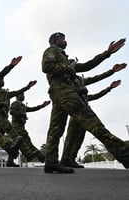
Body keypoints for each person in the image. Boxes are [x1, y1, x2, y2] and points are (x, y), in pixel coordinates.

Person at [41, 32, 129, 173]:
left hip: (59, 95)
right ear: (55, 41)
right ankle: (124, 152)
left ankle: (51, 162)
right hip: (65, 94)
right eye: (62, 39)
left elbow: (88, 66)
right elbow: (46, 67)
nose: (65, 40)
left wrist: (107, 53)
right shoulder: (51, 51)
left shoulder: (64, 58)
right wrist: (68, 68)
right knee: (92, 122)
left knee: (55, 130)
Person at [61, 64, 126, 168]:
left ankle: (71, 159)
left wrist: (109, 82)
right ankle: (65, 159)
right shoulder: (66, 80)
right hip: (75, 111)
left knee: (79, 138)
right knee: (71, 137)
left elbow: (96, 80)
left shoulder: (79, 80)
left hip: (84, 108)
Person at [0, 78, 38, 167]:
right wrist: (2, 104)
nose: (2, 81)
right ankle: (27, 153)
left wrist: (27, 87)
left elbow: (16, 92)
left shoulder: (5, 93)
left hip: (4, 117)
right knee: (13, 133)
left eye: (3, 79)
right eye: (1, 79)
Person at [10, 93, 50, 165]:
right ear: (17, 96)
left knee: (17, 144)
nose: (23, 96)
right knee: (25, 142)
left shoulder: (23, 106)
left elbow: (32, 109)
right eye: (21, 94)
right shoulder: (15, 103)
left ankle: (10, 161)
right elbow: (12, 112)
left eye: (23, 95)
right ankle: (40, 156)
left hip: (21, 127)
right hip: (16, 127)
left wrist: (41, 106)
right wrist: (22, 114)